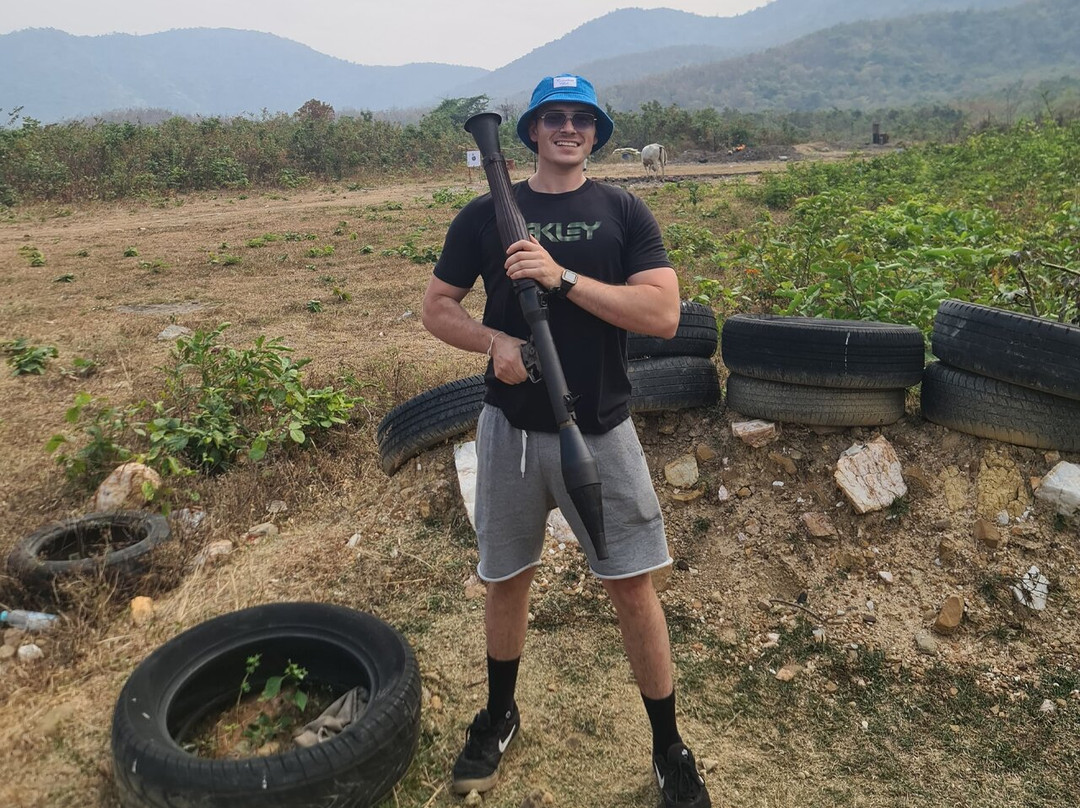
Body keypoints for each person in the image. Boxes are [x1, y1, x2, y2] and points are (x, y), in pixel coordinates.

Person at [421, 73, 711, 808]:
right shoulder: (486, 215)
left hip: (603, 430)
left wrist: (562, 276)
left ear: (597, 133)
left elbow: (663, 315)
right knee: (506, 576)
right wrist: (495, 344)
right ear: (530, 132)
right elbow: (437, 308)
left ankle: (668, 746)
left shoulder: (623, 210)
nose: (568, 128)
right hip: (511, 431)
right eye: (554, 116)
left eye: (583, 118)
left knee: (631, 586)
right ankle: (499, 715)